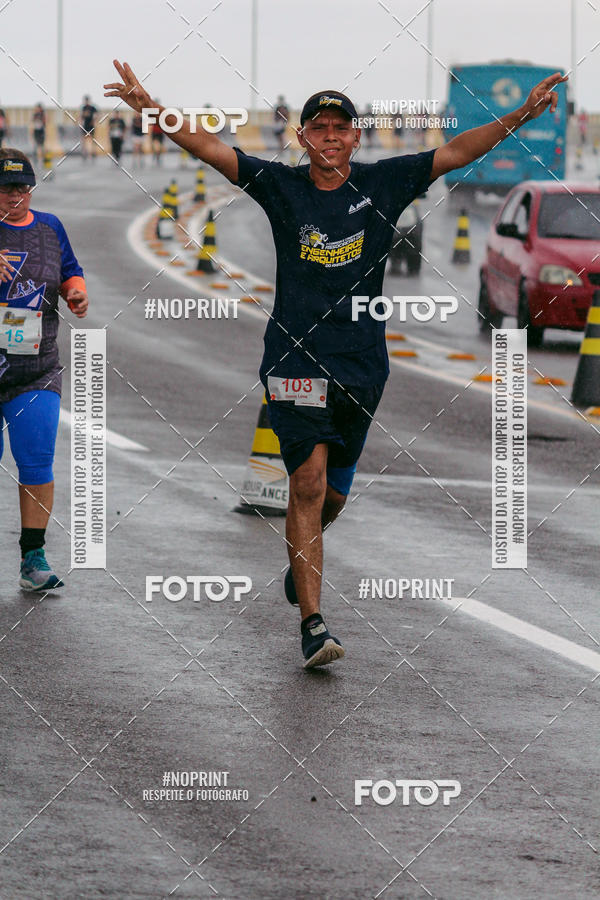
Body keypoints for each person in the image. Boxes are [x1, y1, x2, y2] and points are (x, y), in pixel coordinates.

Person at [105, 61, 567, 668]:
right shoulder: (280, 185)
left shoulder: (386, 182)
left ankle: (303, 561)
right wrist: (152, 108)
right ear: (304, 138)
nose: (329, 137)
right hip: (294, 358)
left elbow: (456, 151)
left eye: (339, 128)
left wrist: (521, 116)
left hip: (362, 365)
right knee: (307, 482)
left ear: (355, 137)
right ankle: (314, 626)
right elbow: (212, 148)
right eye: (318, 127)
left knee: (333, 499)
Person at [0, 149, 88, 591]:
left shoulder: (50, 228)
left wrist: (77, 293)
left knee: (36, 460)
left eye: (21, 187)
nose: (14, 195)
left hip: (37, 368)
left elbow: (71, 271)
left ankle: (32, 558)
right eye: (5, 188)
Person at [80, 95, 97, 161]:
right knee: (84, 140)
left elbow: (96, 115)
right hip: (85, 126)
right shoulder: (83, 108)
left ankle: (93, 152)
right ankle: (85, 152)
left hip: (91, 126)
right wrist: (81, 123)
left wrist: (94, 121)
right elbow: (81, 116)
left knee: (92, 139)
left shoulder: (92, 108)